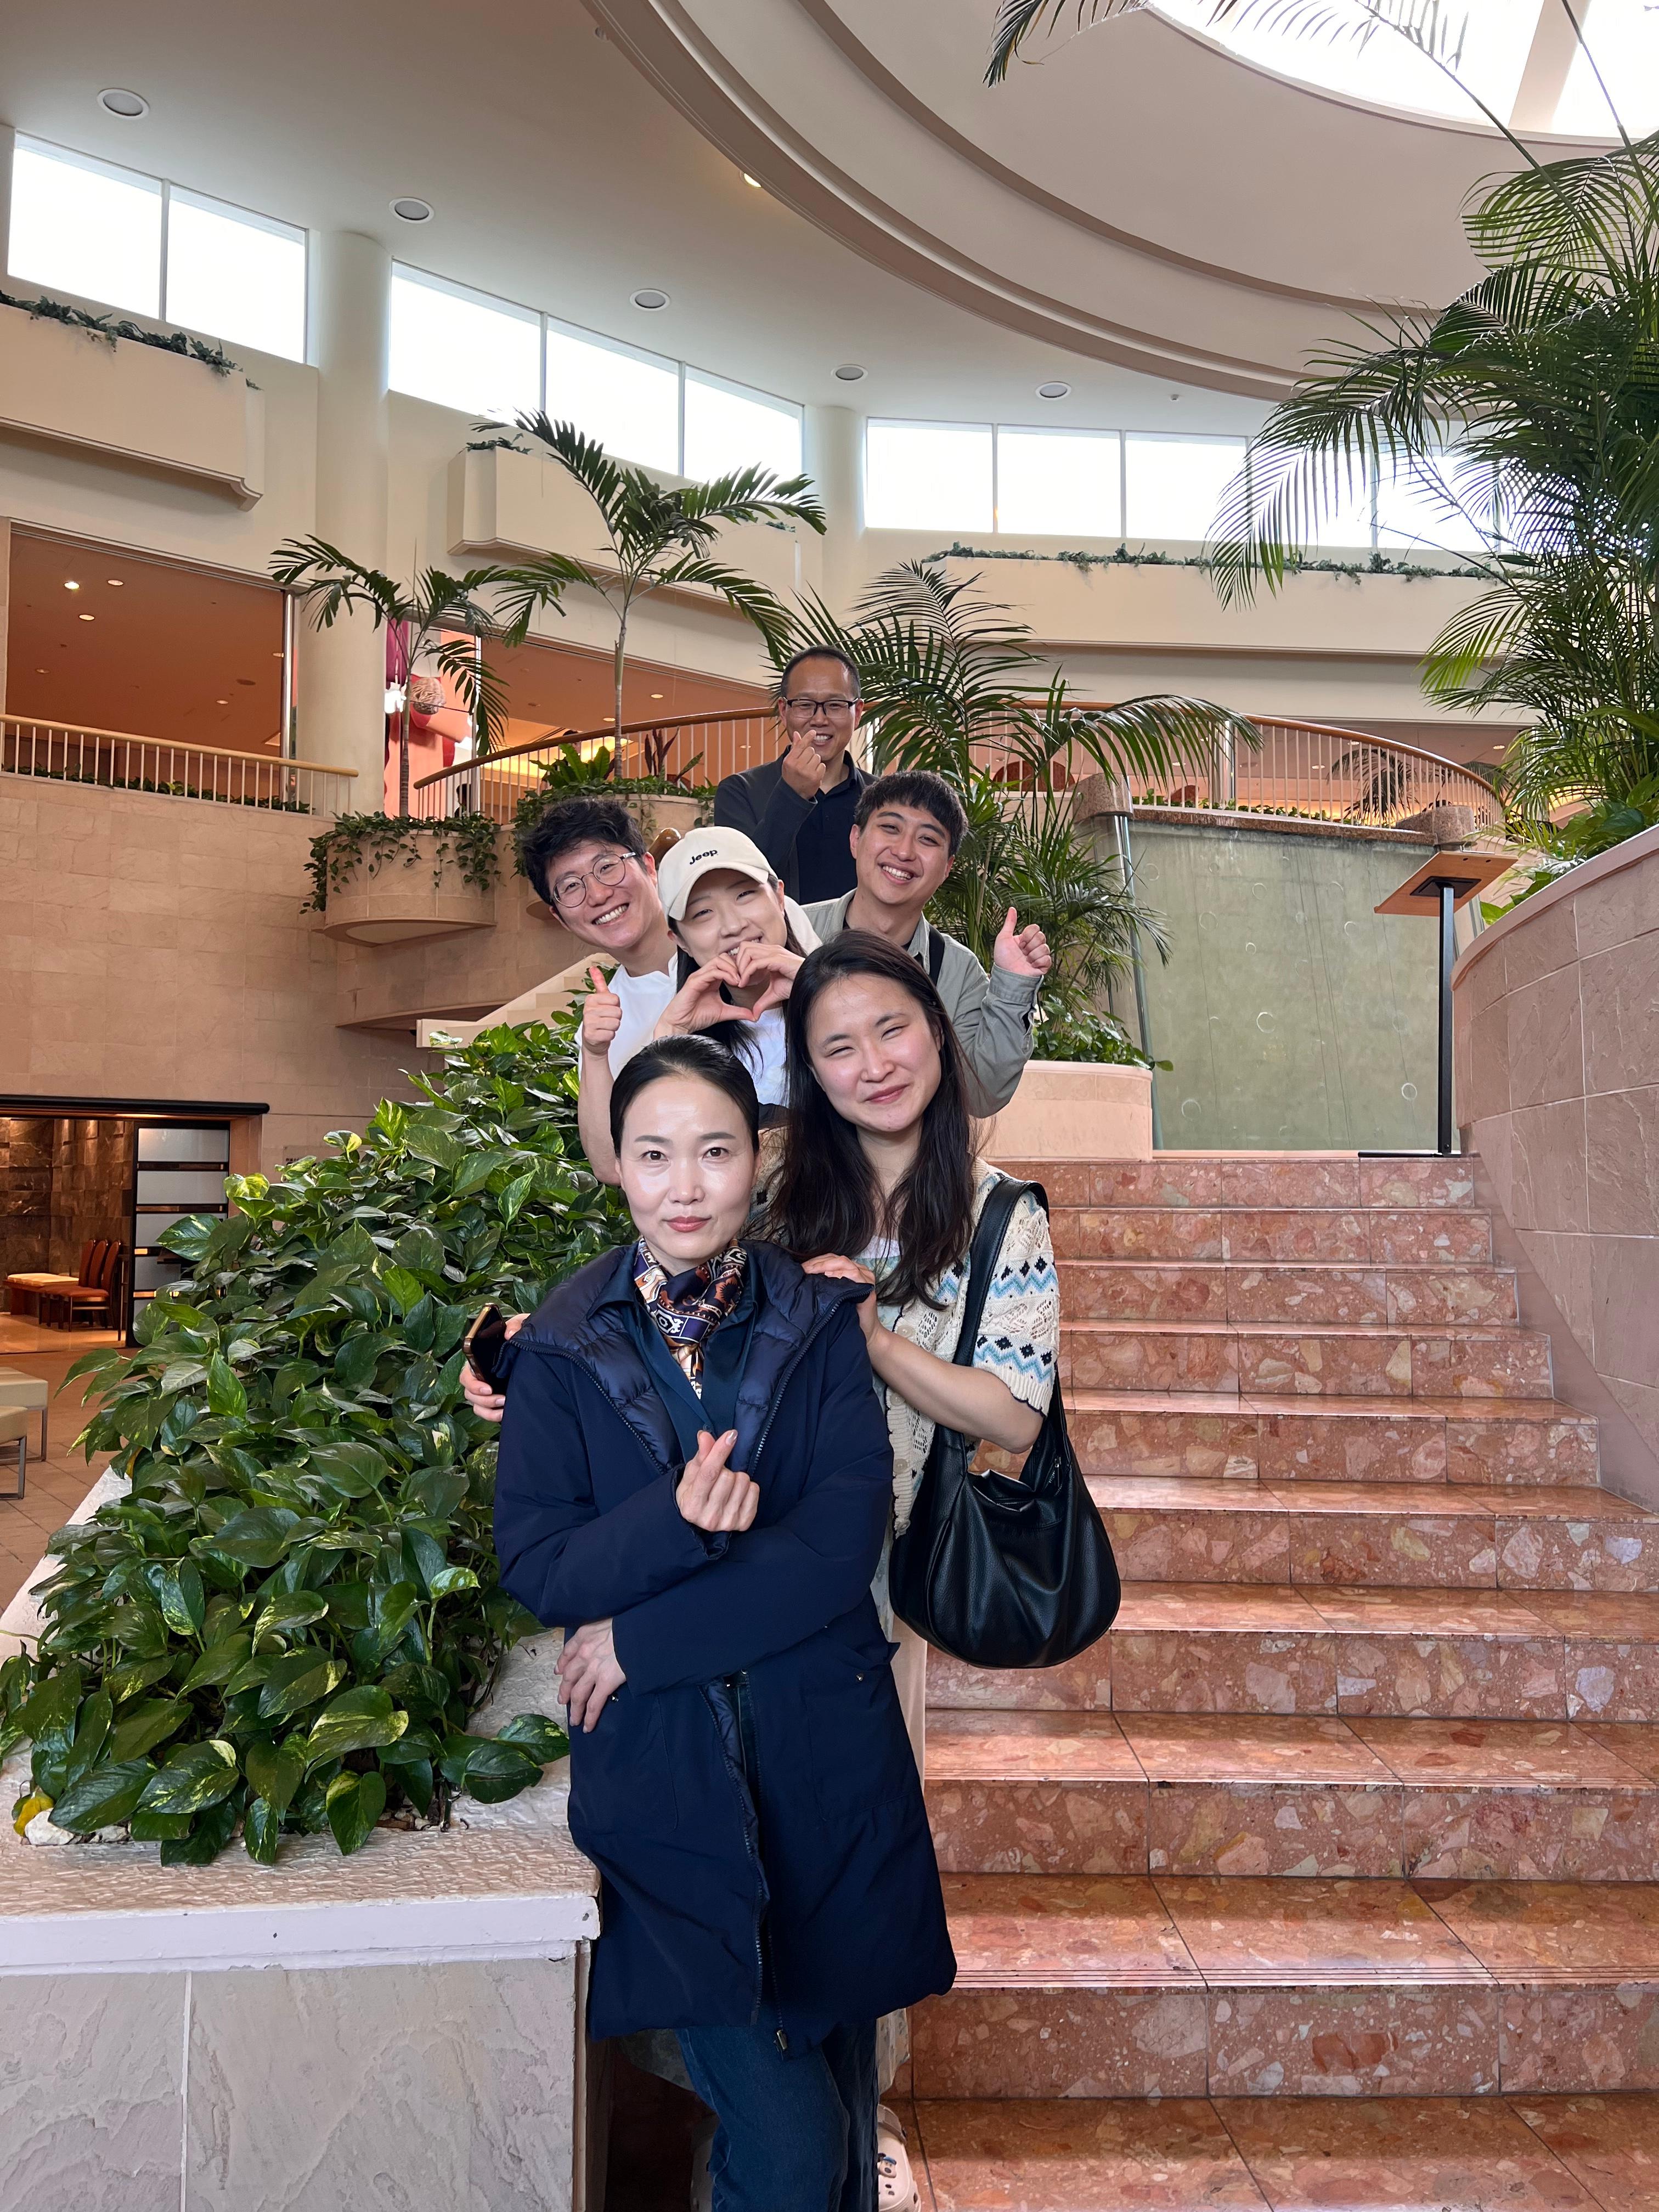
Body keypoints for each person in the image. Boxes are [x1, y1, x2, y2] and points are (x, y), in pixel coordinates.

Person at [493, 1034, 956, 2212]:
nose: (684, 1186)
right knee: (792, 2148)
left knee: (840, 2119)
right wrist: (676, 1521)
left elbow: (836, 1549)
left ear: (758, 1159)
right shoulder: (560, 1343)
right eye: (653, 1155)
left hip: (825, 1761)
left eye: (714, 1151)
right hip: (670, 1788)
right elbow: (540, 1564)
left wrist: (640, 1640)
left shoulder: (815, 1321)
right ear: (618, 1164)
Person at [577, 826, 820, 1181]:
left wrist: (822, 992)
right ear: (680, 941)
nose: (733, 925)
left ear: (780, 897)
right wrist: (669, 1037)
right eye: (703, 913)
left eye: (745, 895)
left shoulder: (850, 986)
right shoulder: (689, 1035)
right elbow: (615, 1168)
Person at [802, 770, 1051, 1114]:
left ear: (947, 867)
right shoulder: (790, 930)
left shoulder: (958, 971)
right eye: (891, 828)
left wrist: (1013, 987)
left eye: (928, 839)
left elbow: (981, 1096)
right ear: (856, 839)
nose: (904, 851)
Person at [517, 793, 678, 1068]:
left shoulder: (733, 947)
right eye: (570, 886)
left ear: (649, 868)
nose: (598, 895)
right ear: (560, 918)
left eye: (607, 867)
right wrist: (594, 1055)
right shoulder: (599, 1036)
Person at [714, 648, 867, 902]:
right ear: (784, 711)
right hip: (780, 931)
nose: (820, 719)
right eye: (805, 705)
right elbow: (740, 888)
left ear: (858, 712)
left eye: (835, 705)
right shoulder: (739, 791)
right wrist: (792, 795)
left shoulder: (881, 798)